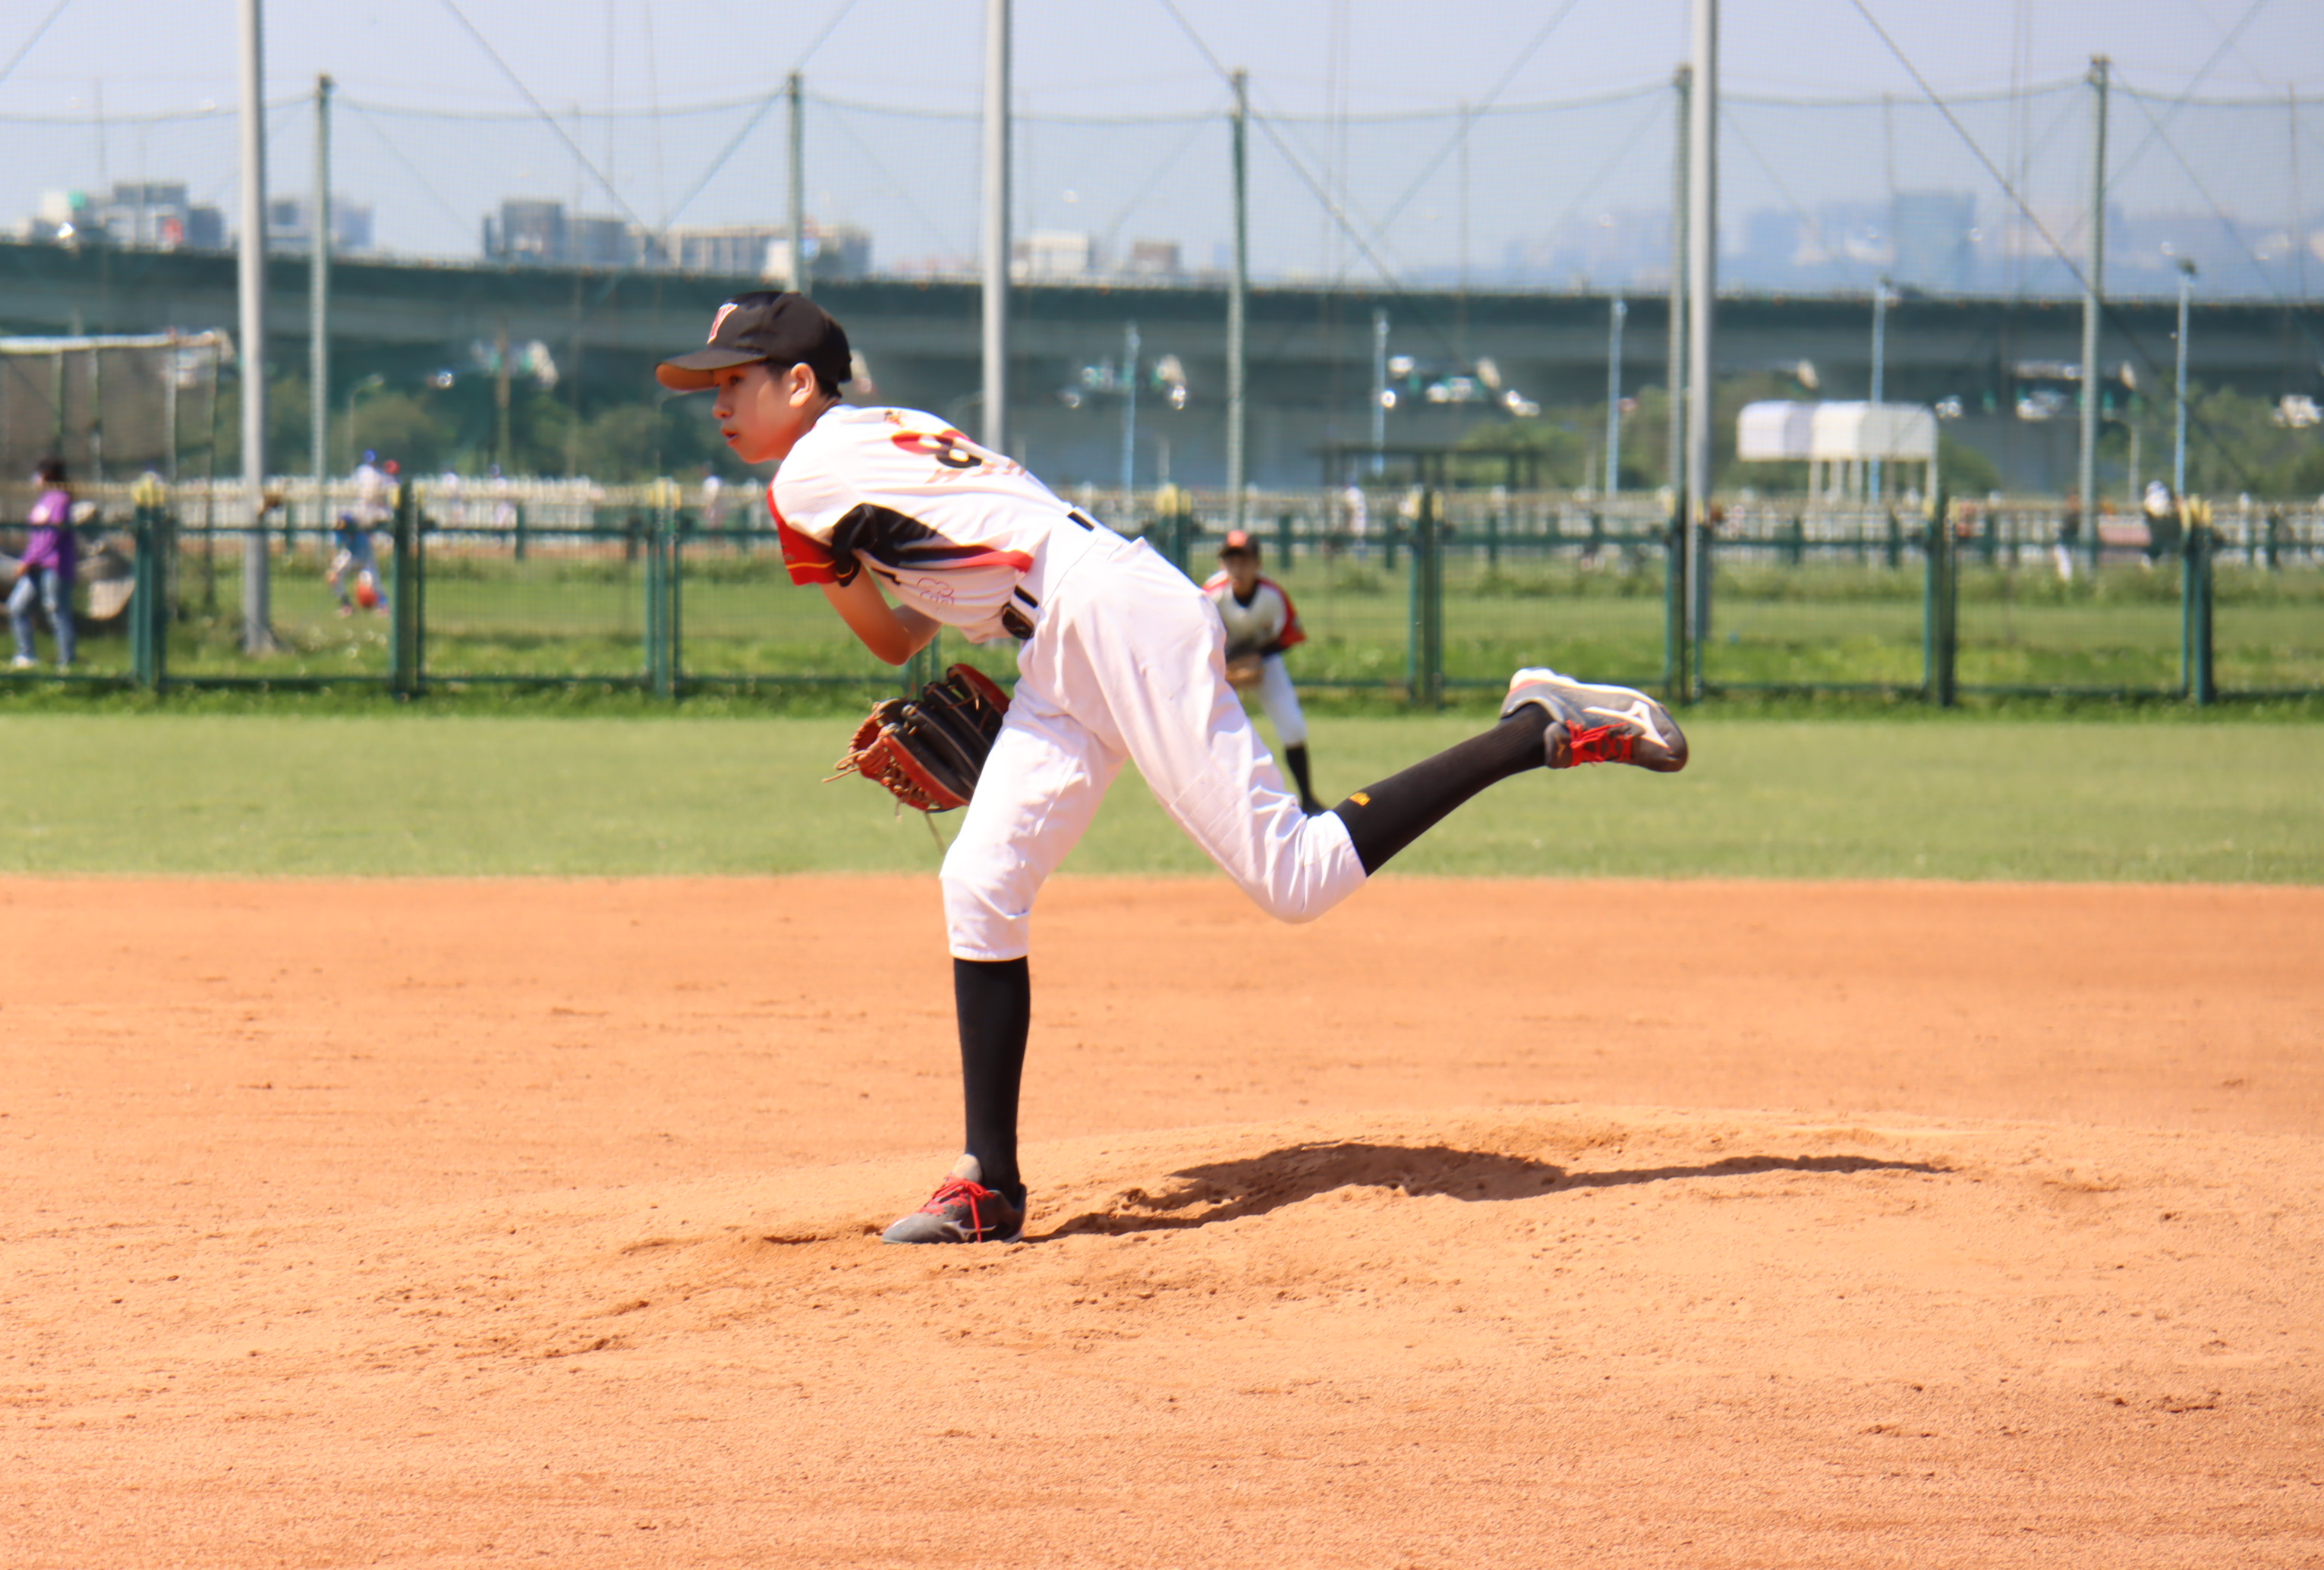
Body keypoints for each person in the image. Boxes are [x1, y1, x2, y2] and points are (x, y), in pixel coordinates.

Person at [657, 292, 1689, 1247]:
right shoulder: (884, 433)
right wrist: (930, 597)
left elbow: (887, 638)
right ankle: (988, 1183)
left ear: (801, 382)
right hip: (1070, 631)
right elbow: (934, 597)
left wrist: (882, 582)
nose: (719, 404)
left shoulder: (803, 480)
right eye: (712, 386)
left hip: (1103, 619)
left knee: (1295, 877)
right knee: (979, 881)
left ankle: (1532, 727)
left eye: (735, 380)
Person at [1202, 528, 1322, 814]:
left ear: (1258, 564)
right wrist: (1229, 668)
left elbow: (1289, 637)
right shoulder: (1211, 594)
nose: (1237, 568)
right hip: (1222, 665)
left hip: (1265, 663)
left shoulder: (1272, 595)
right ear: (1221, 564)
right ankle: (1216, 803)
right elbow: (1197, 637)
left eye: (1244, 561)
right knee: (1211, 729)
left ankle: (1308, 798)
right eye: (1231, 561)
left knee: (1293, 727)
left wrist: (1255, 659)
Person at [7, 455, 77, 670]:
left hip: (54, 566)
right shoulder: (43, 500)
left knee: (56, 611)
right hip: (35, 566)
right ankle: (26, 655)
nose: (34, 479)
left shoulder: (61, 500)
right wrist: (28, 559)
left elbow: (52, 535)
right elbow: (36, 537)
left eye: (38, 474)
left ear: (47, 476)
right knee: (17, 607)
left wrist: (29, 560)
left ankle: (67, 662)